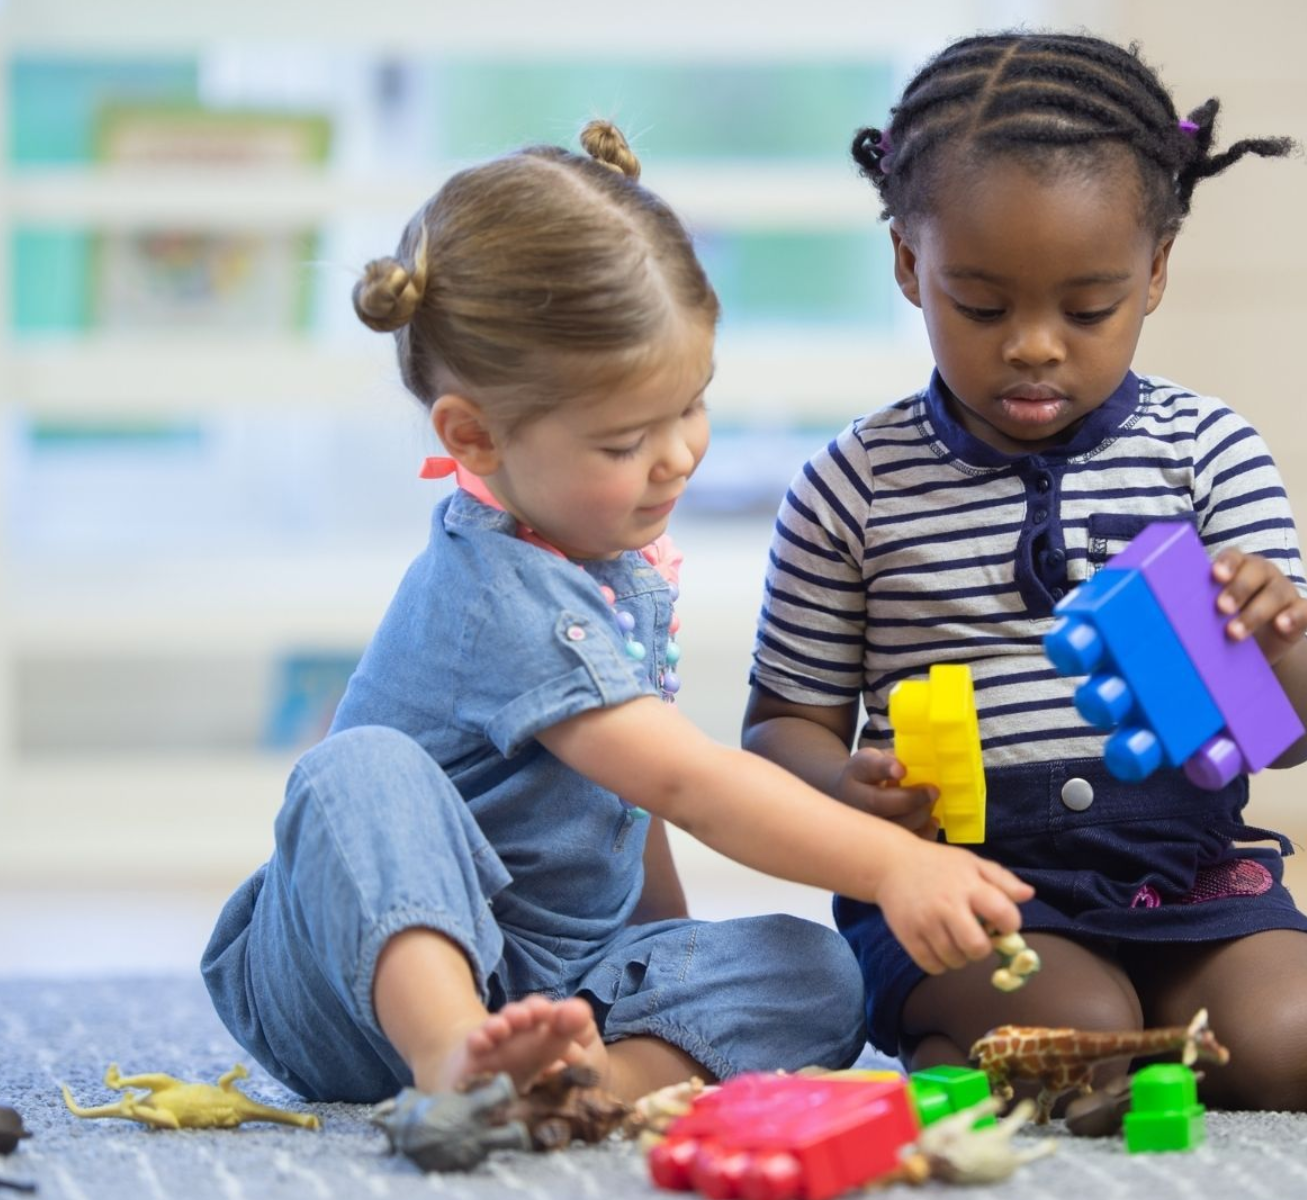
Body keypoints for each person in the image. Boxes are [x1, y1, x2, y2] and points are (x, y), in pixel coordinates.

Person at [201, 120, 1031, 1107]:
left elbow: (629, 806)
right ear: (475, 434)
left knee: (822, 973)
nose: (680, 454)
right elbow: (688, 782)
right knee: (357, 768)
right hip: (349, 984)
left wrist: (664, 964)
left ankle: (589, 1083)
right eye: (629, 438)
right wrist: (893, 862)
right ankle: (454, 1061)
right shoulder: (495, 591)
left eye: (694, 404)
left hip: (550, 980)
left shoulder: (610, 562)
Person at [742, 33, 1307, 1111]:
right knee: (1085, 1043)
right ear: (905, 263)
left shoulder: (1209, 451)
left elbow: (1296, 733)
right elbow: (780, 727)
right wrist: (846, 791)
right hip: (964, 885)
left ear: (1155, 272)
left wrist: (1272, 647)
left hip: (1190, 867)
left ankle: (1121, 1026)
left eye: (1087, 309)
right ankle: (968, 1034)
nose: (1034, 346)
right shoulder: (852, 485)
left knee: (1297, 1051)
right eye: (981, 307)